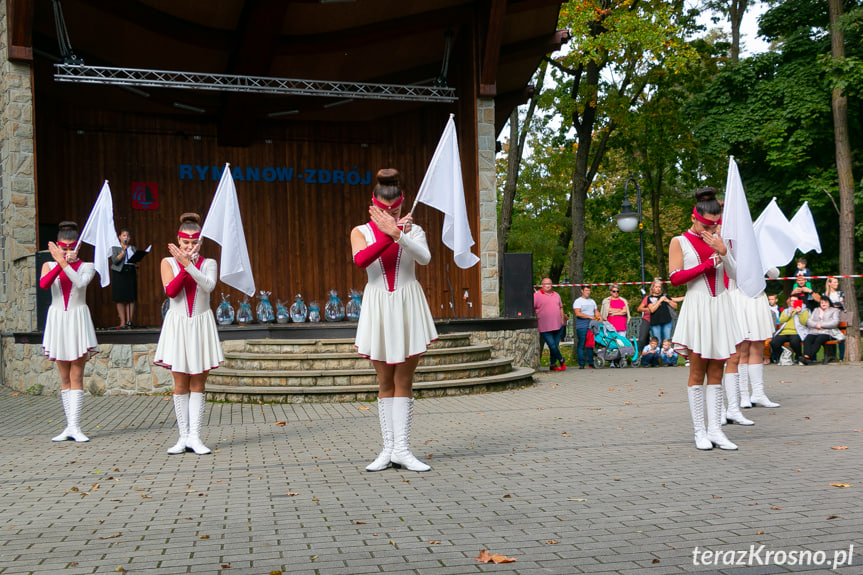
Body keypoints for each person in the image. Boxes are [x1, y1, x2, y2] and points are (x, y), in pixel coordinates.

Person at [353, 169, 438, 472]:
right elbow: (362, 260)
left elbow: (425, 258)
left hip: (407, 302)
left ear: (402, 206)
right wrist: (390, 233)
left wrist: (400, 234)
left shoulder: (412, 230)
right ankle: (388, 449)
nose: (392, 215)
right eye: (386, 212)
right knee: (384, 381)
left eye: (397, 211)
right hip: (377, 304)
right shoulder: (360, 231)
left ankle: (402, 448)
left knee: (404, 380)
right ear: (374, 207)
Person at [669, 187, 742, 450]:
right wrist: (705, 266)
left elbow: (735, 274)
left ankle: (716, 431)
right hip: (697, 306)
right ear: (693, 218)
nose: (709, 230)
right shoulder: (680, 241)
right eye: (705, 225)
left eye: (714, 225)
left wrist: (723, 251)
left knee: (717, 372)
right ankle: (700, 431)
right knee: (697, 371)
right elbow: (675, 278)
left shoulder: (719, 240)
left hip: (721, 306)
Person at [154, 213, 223, 455]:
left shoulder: (209, 263)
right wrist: (183, 266)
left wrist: (189, 265)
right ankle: (183, 436)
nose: (190, 247)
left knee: (198, 382)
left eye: (194, 243)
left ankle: (195, 436)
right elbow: (171, 292)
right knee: (180, 381)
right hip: (178, 324)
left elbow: (208, 285)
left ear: (200, 243)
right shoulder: (167, 262)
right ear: (178, 241)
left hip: (201, 324)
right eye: (185, 243)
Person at [41, 221, 99, 442]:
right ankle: (68, 426)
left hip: (77, 319)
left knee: (77, 374)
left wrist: (64, 264)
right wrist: (58, 262)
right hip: (57, 319)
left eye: (70, 248)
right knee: (64, 376)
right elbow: (45, 284)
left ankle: (76, 426)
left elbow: (81, 283)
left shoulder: (87, 266)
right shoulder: (48, 265)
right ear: (57, 246)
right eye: (62, 248)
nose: (66, 252)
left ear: (77, 247)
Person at [726, 267, 781, 414]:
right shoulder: (731, 247)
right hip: (738, 299)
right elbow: (730, 271)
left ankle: (758, 393)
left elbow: (775, 274)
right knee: (742, 348)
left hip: (757, 298)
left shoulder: (760, 249)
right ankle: (744, 394)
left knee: (758, 346)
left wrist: (764, 262)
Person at [534, 278, 567, 371]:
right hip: (544, 327)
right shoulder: (536, 296)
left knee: (555, 347)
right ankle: (561, 359)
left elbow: (561, 308)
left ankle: (552, 365)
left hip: (558, 326)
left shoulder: (556, 295)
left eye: (549, 283)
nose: (548, 285)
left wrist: (562, 320)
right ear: (542, 285)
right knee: (552, 346)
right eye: (545, 283)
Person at [799, 296, 840, 365]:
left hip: (827, 332)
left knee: (819, 339)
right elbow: (809, 321)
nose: (823, 304)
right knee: (807, 339)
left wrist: (821, 325)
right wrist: (816, 325)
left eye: (825, 303)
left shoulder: (834, 310)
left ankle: (807, 357)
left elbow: (835, 322)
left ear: (829, 303)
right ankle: (807, 357)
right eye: (822, 303)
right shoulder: (816, 310)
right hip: (815, 331)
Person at [110, 228, 138, 328]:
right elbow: (114, 260)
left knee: (131, 297)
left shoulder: (133, 248)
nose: (126, 237)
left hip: (130, 272)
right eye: (124, 235)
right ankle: (122, 322)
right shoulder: (115, 248)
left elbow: (135, 261)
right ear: (120, 237)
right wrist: (123, 251)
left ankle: (129, 321)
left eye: (128, 236)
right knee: (120, 298)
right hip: (119, 273)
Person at [769, 296, 810, 363]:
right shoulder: (786, 310)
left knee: (794, 342)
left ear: (799, 302)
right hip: (784, 332)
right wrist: (789, 314)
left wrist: (799, 313)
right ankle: (782, 356)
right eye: (791, 301)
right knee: (774, 342)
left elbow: (804, 322)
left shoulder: (804, 311)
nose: (793, 302)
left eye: (795, 301)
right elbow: (781, 320)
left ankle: (799, 357)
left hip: (796, 332)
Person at [573, 285, 602, 369]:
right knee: (581, 344)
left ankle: (591, 363)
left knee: (590, 345)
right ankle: (581, 363)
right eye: (586, 291)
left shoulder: (592, 301)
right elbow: (578, 313)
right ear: (582, 291)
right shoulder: (578, 301)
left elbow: (596, 311)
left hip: (591, 325)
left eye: (589, 291)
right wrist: (589, 316)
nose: (588, 292)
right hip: (582, 325)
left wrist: (600, 317)